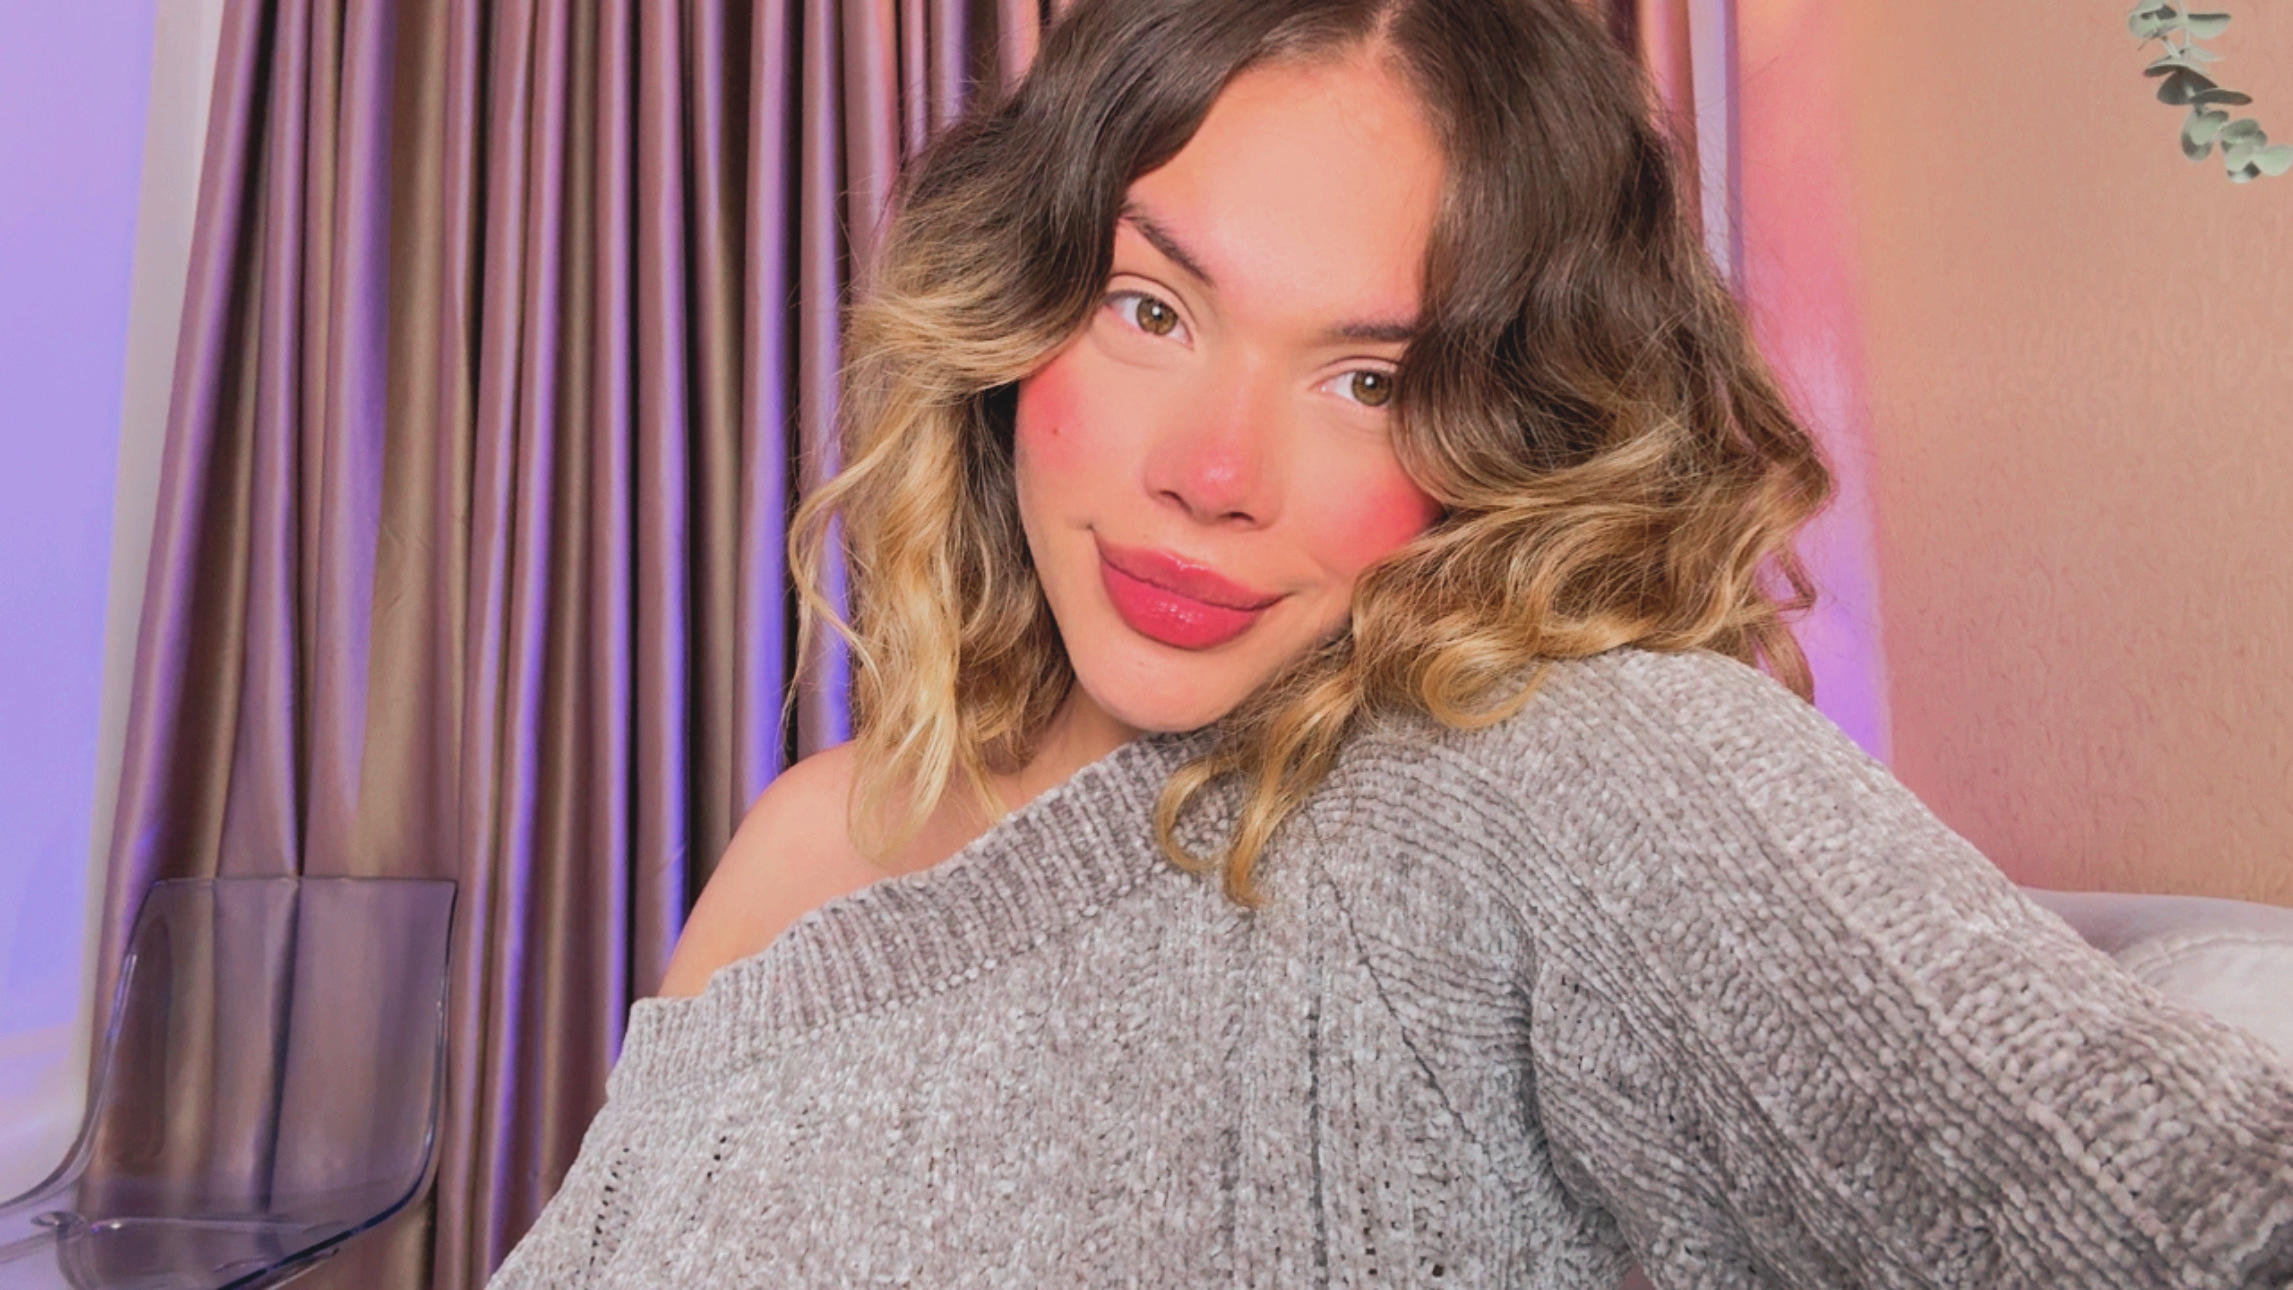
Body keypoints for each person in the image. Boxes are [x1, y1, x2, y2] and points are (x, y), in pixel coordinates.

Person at [487, 0, 2293, 1284]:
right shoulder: (806, 841)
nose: (1211, 475)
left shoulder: (1556, 779)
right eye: (1148, 307)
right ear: (1013, 309)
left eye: (1370, 380)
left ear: (1520, 432)